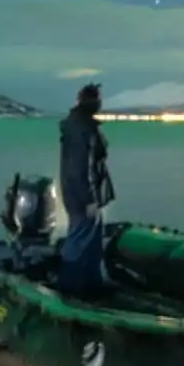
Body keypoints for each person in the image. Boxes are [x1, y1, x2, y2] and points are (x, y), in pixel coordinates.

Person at [57, 82, 115, 296]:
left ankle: (91, 283)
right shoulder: (83, 130)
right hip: (81, 195)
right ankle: (70, 286)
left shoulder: (77, 126)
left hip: (78, 193)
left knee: (92, 238)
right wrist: (89, 198)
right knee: (80, 238)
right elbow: (83, 167)